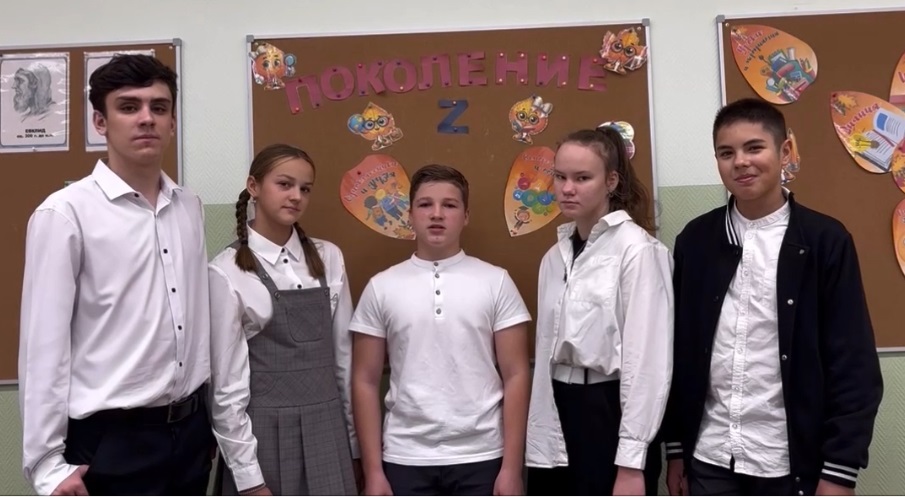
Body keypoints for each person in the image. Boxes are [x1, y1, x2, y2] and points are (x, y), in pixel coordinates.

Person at [663, 98, 884, 496]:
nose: (740, 162)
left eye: (754, 148)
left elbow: (853, 364)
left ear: (784, 152)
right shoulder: (696, 241)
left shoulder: (824, 241)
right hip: (711, 458)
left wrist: (840, 471)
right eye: (726, 153)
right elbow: (681, 351)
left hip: (789, 461)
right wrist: (676, 448)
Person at [18, 54, 214, 495]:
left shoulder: (189, 207)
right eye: (129, 107)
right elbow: (42, 347)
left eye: (158, 107)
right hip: (111, 442)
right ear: (100, 122)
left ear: (172, 122)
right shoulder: (65, 214)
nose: (146, 118)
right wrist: (47, 464)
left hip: (190, 434)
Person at [351, 164, 532, 496]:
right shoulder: (381, 287)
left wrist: (511, 468)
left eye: (449, 205)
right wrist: (373, 471)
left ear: (465, 216)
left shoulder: (496, 282)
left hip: (483, 455)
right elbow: (365, 380)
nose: (437, 214)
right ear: (410, 215)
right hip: (405, 457)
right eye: (425, 204)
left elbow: (516, 374)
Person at [524, 126, 674, 496]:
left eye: (582, 178)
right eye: (560, 177)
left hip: (608, 412)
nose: (567, 188)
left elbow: (648, 364)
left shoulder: (638, 251)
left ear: (610, 181)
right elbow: (544, 351)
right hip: (557, 408)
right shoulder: (554, 257)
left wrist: (631, 462)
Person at [208, 144, 361, 496]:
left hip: (328, 432)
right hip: (264, 438)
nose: (296, 196)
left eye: (305, 189)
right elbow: (227, 388)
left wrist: (354, 448)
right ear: (254, 186)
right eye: (284, 184)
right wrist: (248, 479)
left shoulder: (329, 257)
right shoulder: (226, 271)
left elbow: (344, 362)